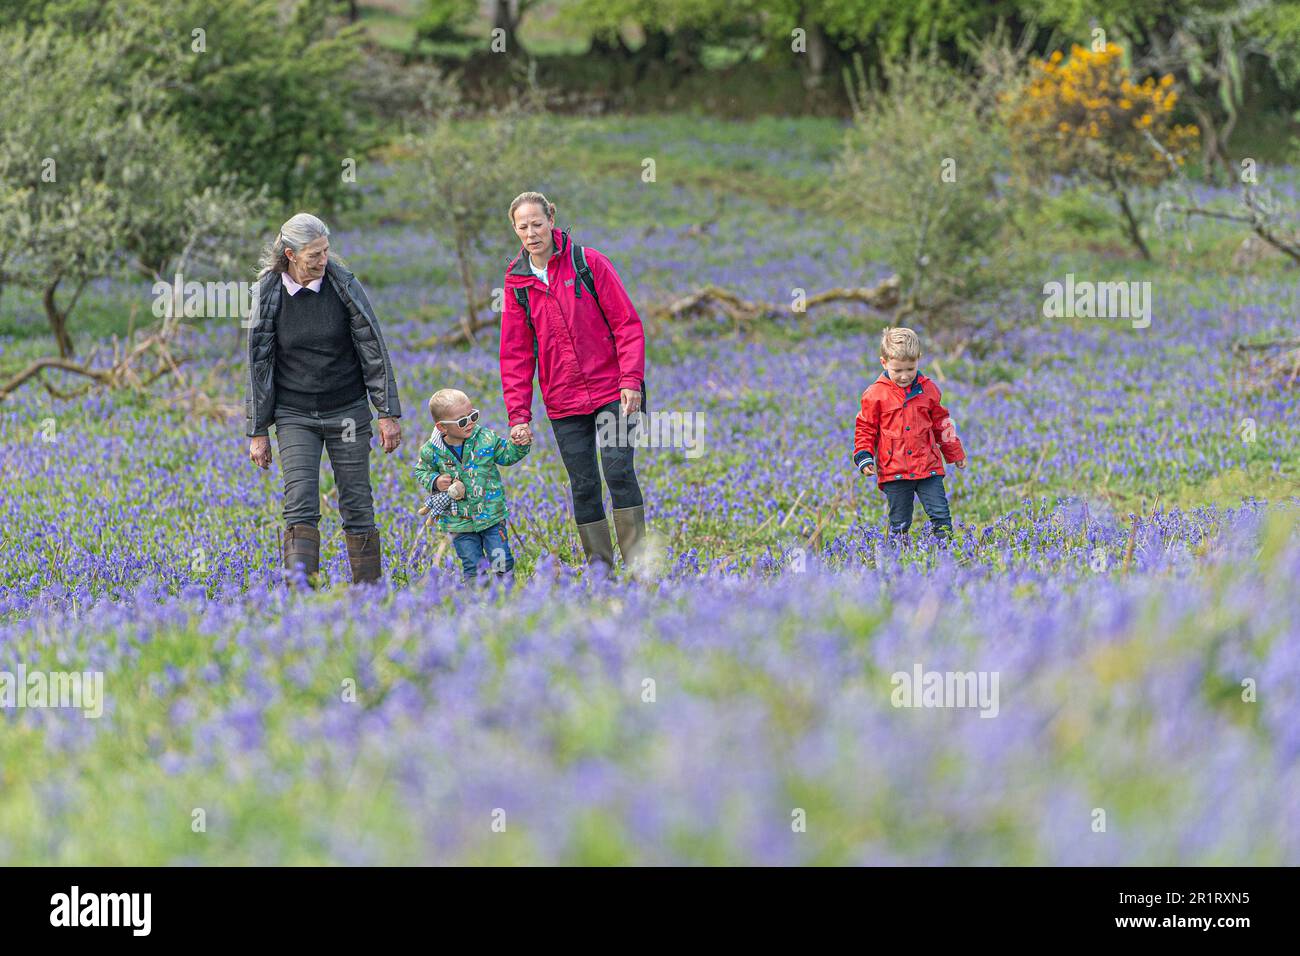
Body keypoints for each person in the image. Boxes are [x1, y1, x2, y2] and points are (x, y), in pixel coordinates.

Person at [245, 213, 403, 586]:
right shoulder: (268, 292)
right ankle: (301, 592)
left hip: (347, 411)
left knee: (357, 502)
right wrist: (257, 431)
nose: (322, 260)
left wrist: (386, 412)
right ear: (290, 254)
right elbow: (258, 363)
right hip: (295, 413)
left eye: (326, 251)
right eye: (314, 254)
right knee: (299, 502)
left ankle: (368, 591)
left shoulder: (342, 284)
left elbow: (372, 348)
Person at [499, 191, 648, 570]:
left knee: (618, 469)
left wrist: (631, 379)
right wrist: (519, 415)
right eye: (523, 227)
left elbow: (627, 325)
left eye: (537, 223)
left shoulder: (588, 263)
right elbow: (516, 354)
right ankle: (601, 571)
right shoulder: (517, 283)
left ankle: (639, 566)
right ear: (514, 230)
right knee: (583, 485)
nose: (531, 233)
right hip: (563, 401)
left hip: (613, 390)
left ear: (551, 218)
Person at [853, 326, 968, 541]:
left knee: (941, 514)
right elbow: (865, 428)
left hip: (928, 467)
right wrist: (863, 454)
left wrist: (955, 452)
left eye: (910, 369)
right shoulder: (875, 394)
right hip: (894, 470)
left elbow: (943, 424)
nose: (904, 376)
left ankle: (946, 554)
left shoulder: (929, 389)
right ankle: (898, 560)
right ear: (884, 363)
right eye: (898, 370)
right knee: (900, 522)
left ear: (918, 360)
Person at [413, 388, 530, 582]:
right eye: (462, 421)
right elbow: (421, 470)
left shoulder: (485, 438)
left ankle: (507, 592)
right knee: (472, 566)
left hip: (491, 514)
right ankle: (478, 600)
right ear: (442, 427)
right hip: (458, 521)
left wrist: (519, 444)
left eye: (472, 415)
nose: (470, 423)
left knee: (501, 559)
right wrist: (434, 481)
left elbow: (506, 455)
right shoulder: (432, 451)